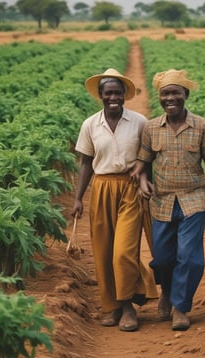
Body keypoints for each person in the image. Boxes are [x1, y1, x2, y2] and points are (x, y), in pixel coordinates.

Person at [131, 69, 205, 331]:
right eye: (165, 93)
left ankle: (181, 307)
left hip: (194, 199)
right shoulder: (151, 128)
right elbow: (143, 161)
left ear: (186, 95)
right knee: (162, 258)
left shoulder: (202, 126)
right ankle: (167, 292)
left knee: (190, 258)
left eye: (175, 92)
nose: (170, 98)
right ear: (159, 97)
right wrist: (142, 181)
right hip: (160, 201)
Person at [71, 68, 158, 332]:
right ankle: (112, 307)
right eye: (108, 93)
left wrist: (145, 179)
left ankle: (128, 306)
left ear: (124, 95)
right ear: (100, 95)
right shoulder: (90, 124)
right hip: (102, 187)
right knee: (104, 251)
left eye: (117, 93)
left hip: (130, 189)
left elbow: (148, 158)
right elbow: (86, 162)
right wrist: (77, 199)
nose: (113, 97)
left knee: (123, 252)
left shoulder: (139, 122)